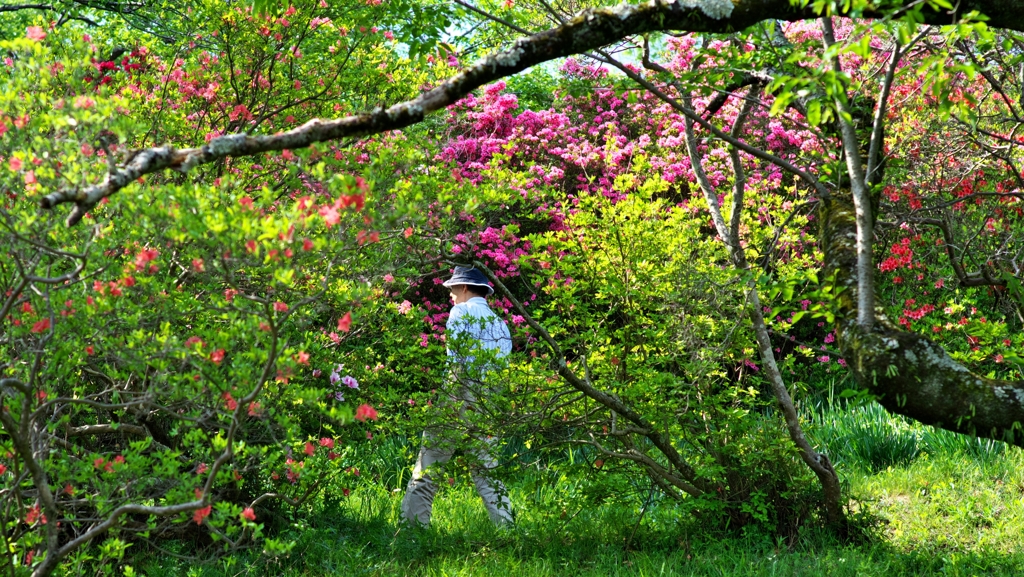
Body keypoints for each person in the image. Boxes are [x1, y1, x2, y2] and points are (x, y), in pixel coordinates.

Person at [400, 266, 513, 527]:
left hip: (460, 396)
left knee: (428, 471)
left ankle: (412, 531)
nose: (450, 294)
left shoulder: (460, 312)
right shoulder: (500, 323)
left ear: (463, 287)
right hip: (490, 403)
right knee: (488, 474)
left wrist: (448, 404)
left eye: (452, 288)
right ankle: (508, 530)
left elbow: (458, 364)